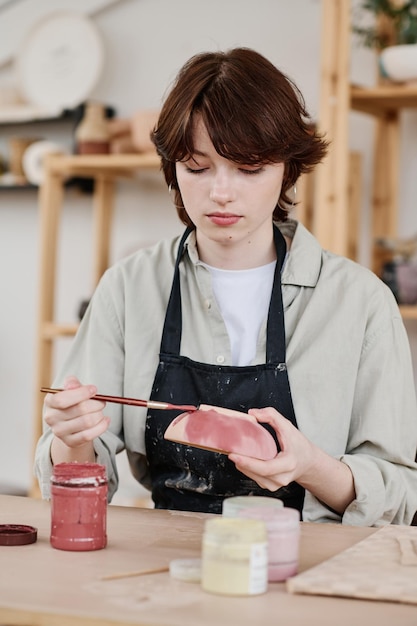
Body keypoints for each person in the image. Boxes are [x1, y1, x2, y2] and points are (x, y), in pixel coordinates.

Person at [34, 47, 417, 525]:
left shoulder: (359, 302)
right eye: (197, 167)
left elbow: (401, 495)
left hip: (307, 569)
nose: (220, 192)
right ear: (173, 168)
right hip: (167, 563)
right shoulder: (129, 289)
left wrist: (312, 467)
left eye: (249, 169)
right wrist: (74, 439)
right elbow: (79, 488)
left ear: (287, 170)